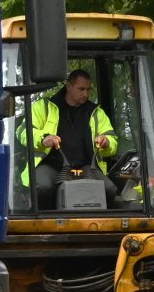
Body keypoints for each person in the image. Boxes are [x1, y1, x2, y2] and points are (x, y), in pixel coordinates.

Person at [19, 69, 119, 207]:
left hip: (86, 168)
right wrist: (43, 139)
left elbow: (112, 139)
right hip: (51, 166)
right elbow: (23, 132)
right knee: (41, 188)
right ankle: (46, 224)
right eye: (81, 89)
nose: (86, 94)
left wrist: (106, 142)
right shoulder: (44, 107)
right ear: (69, 86)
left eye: (88, 89)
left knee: (109, 190)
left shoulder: (96, 112)